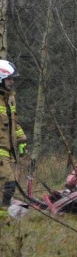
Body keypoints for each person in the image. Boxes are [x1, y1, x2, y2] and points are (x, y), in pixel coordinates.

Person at [0, 60, 27, 219]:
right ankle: (3, 217)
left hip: (7, 150)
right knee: (9, 182)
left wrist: (22, 140)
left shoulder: (10, 100)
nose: (12, 81)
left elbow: (14, 123)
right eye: (9, 78)